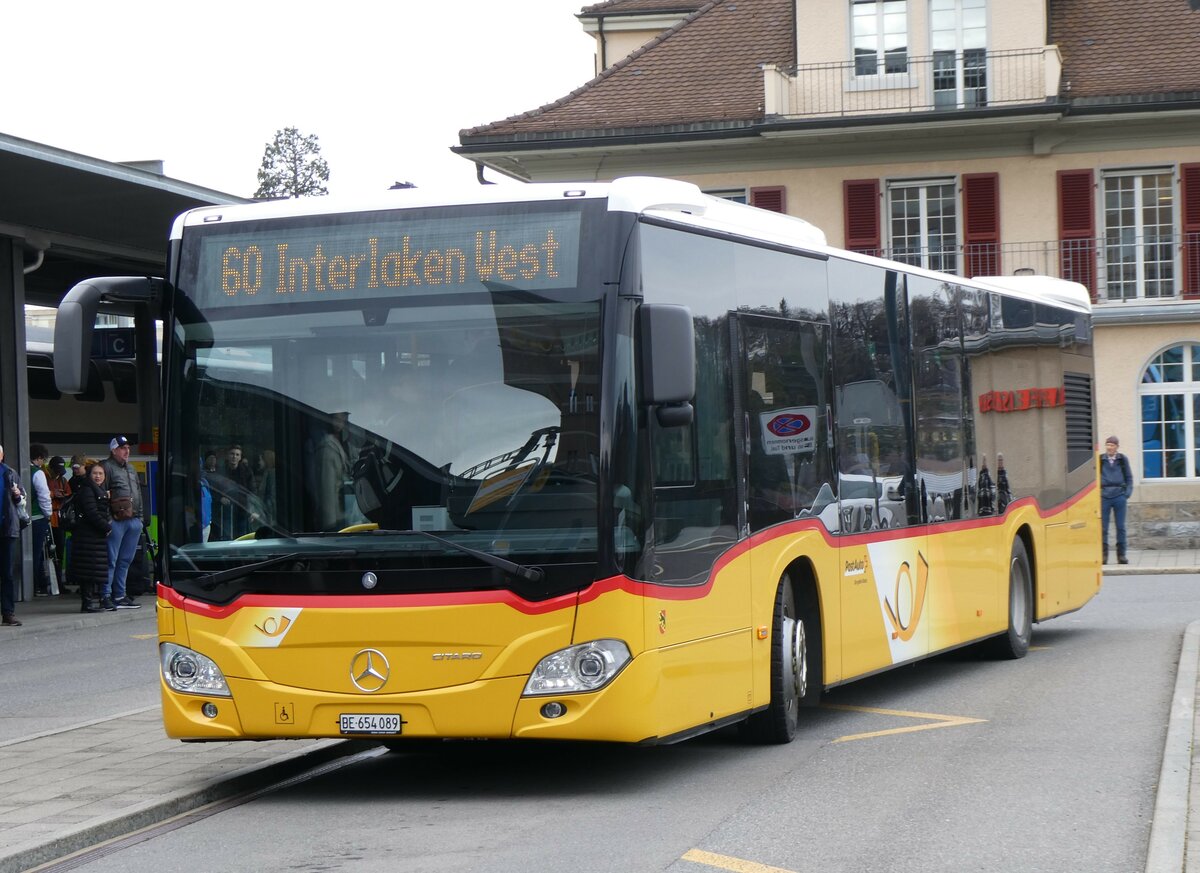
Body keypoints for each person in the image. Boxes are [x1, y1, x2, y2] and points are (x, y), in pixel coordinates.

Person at [100, 436, 143, 610]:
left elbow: (138, 492)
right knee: (111, 559)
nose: (127, 451)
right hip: (116, 521)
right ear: (113, 450)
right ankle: (106, 595)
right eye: (122, 448)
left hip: (133, 520)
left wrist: (140, 518)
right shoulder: (106, 467)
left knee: (125, 560)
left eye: (128, 448)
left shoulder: (131, 469)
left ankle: (119, 594)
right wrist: (108, 520)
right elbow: (102, 495)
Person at [71, 462, 112, 613]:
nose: (98, 476)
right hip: (87, 535)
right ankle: (87, 603)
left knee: (93, 568)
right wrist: (106, 527)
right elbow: (92, 512)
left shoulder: (97, 489)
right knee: (88, 569)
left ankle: (96, 601)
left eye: (101, 474)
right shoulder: (88, 489)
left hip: (95, 535)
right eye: (95, 473)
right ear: (89, 475)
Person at [0, 444, 25, 626]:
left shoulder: (9, 473)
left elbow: (22, 499)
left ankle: (8, 612)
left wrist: (17, 495)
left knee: (7, 573)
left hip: (7, 528)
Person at [1100, 435, 1134, 564]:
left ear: (1117, 447)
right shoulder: (1100, 459)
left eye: (1112, 445)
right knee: (1103, 527)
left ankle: (1121, 555)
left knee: (1120, 527)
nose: (1109, 448)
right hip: (1104, 496)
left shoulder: (1122, 459)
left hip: (1119, 495)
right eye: (1108, 445)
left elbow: (1129, 477)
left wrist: (1127, 494)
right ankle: (1103, 555)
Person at [315, 412, 351, 530]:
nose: (339, 424)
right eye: (336, 419)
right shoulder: (327, 449)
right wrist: (330, 524)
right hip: (335, 516)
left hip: (343, 512)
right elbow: (327, 490)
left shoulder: (342, 444)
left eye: (342, 420)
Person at [28, 444, 53, 596]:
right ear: (39, 458)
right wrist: (48, 514)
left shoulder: (17, 469)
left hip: (20, 519)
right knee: (37, 553)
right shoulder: (38, 473)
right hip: (37, 518)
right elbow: (44, 496)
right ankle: (38, 585)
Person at [46, 456, 71, 584]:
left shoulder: (63, 480)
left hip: (59, 519)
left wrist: (61, 495)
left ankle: (59, 583)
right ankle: (45, 582)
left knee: (60, 552)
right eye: (56, 470)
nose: (58, 473)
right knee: (47, 552)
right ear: (50, 468)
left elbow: (68, 495)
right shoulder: (43, 476)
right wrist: (52, 493)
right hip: (47, 519)